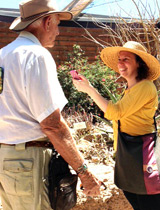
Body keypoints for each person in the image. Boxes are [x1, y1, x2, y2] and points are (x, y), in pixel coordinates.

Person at [0, 0, 101, 209]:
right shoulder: (37, 55)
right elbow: (52, 124)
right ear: (46, 22)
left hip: (6, 159)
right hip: (30, 163)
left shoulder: (3, 55)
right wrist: (84, 172)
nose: (58, 32)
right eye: (57, 24)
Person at [73, 41, 160, 210]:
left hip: (142, 154)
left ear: (139, 63)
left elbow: (115, 112)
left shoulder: (145, 87)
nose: (120, 63)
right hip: (129, 154)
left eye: (126, 59)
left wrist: (90, 89)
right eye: (119, 59)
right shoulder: (130, 89)